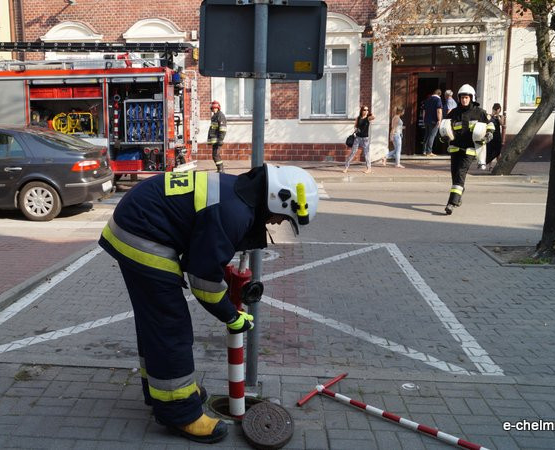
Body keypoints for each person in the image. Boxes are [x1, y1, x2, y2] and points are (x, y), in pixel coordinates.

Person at [99, 165, 319, 443]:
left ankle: (166, 395)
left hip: (137, 223)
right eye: (282, 217)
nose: (277, 223)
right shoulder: (234, 212)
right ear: (277, 198)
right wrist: (231, 316)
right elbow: (203, 281)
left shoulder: (237, 194)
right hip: (142, 235)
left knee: (154, 323)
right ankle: (180, 413)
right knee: (170, 326)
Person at [439, 84, 494, 215]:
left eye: (466, 98)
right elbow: (444, 128)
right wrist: (443, 139)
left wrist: (489, 134)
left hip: (469, 150)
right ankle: (458, 196)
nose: (464, 100)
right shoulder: (454, 113)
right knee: (455, 176)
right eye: (462, 98)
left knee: (460, 175)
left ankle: (451, 203)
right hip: (455, 149)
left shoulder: (479, 112)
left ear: (471, 98)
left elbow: (490, 124)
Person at [343, 106, 375, 173]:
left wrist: (370, 113)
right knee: (353, 152)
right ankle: (346, 167)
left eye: (367, 110)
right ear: (361, 111)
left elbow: (374, 117)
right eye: (364, 110)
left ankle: (369, 169)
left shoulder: (368, 118)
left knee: (366, 153)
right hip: (358, 138)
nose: (366, 111)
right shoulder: (358, 118)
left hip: (365, 139)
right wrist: (357, 129)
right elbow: (355, 126)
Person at [207, 100, 227, 172]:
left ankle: (221, 170)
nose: (214, 109)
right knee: (215, 155)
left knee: (216, 155)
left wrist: (220, 139)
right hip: (215, 140)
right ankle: (220, 169)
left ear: (218, 108)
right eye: (213, 108)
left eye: (215, 108)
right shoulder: (214, 116)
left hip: (218, 140)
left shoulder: (220, 116)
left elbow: (223, 129)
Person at [422, 89, 443, 156]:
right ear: (439, 94)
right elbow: (439, 110)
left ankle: (424, 151)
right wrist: (439, 120)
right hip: (434, 121)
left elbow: (424, 111)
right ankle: (429, 151)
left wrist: (424, 119)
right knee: (432, 135)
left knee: (426, 135)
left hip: (426, 120)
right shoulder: (438, 100)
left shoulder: (427, 100)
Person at [486, 103, 505, 169]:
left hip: (497, 136)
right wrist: (492, 115)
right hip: (490, 135)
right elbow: (486, 122)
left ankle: (499, 166)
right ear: (493, 109)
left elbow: (502, 124)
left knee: (498, 151)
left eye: (498, 109)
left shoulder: (501, 116)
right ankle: (490, 166)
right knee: (490, 151)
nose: (496, 111)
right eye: (495, 109)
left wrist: (498, 117)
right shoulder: (489, 116)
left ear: (500, 110)